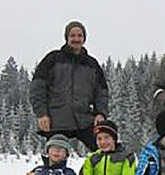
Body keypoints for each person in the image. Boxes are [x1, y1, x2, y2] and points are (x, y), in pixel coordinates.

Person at [29, 21, 109, 151]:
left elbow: (102, 93)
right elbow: (37, 88)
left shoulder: (92, 64)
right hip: (57, 121)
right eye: (72, 35)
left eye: (79, 35)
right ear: (67, 38)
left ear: (84, 38)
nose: (76, 39)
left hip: (85, 120)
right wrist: (41, 114)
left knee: (106, 149)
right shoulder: (53, 59)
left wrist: (100, 113)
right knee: (55, 157)